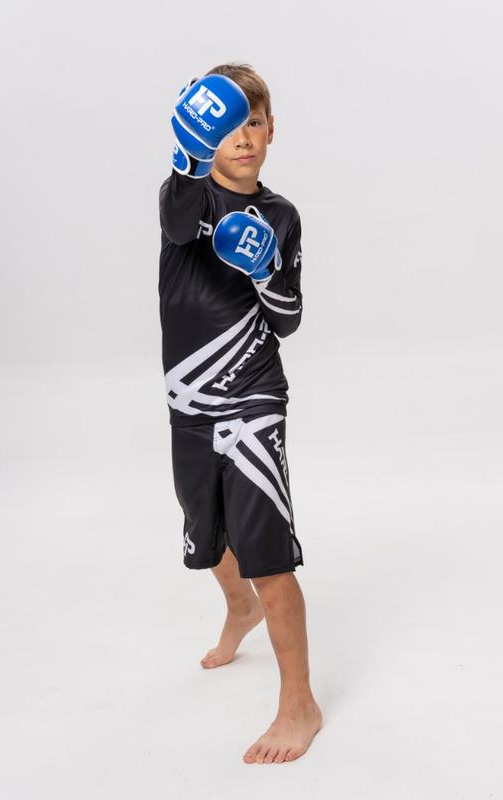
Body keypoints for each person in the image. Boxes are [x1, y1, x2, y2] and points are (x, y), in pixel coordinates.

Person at [158, 63, 322, 764]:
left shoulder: (279, 215)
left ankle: (299, 704)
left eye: (254, 122)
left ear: (271, 129)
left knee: (266, 554)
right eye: (227, 126)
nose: (244, 137)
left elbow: (287, 319)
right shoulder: (187, 196)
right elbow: (176, 222)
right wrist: (188, 160)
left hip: (253, 397)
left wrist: (262, 270)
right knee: (207, 535)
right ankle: (239, 608)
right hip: (188, 402)